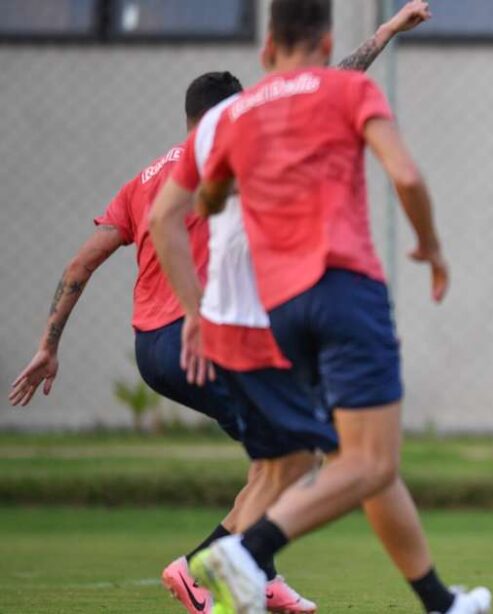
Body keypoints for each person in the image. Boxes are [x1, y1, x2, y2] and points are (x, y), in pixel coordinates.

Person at [150, 1, 489, 613]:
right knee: (369, 462)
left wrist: (194, 310)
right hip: (343, 290)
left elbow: (170, 214)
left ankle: (439, 601)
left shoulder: (228, 121)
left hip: (279, 312)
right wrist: (431, 246)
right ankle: (240, 554)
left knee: (312, 460)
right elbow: (406, 176)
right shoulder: (344, 92)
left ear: (265, 49)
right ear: (327, 37)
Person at [6, 70, 320, 614]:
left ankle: (259, 574)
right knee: (299, 453)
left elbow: (81, 262)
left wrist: (48, 344)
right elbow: (326, 88)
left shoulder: (146, 178)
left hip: (152, 349)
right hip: (196, 340)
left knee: (272, 456)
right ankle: (207, 567)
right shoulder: (225, 159)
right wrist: (385, 31)